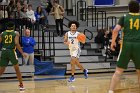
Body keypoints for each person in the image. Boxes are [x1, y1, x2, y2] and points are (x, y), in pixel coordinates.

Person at [109, 1, 140, 93]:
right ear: (138, 8)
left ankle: (110, 91)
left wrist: (113, 42)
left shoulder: (124, 17)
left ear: (128, 8)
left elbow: (115, 30)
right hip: (138, 45)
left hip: (126, 45)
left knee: (118, 71)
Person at [0, 21, 27, 90]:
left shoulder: (2, 33)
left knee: (2, 70)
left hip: (4, 51)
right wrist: (22, 52)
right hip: (11, 51)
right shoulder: (16, 33)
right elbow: (16, 43)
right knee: (17, 69)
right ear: (13, 27)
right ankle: (21, 85)